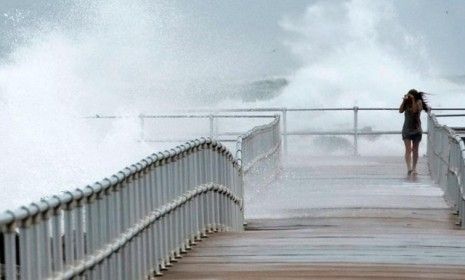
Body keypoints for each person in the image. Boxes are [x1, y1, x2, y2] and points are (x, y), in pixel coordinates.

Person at [399, 89, 430, 176]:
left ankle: (414, 168)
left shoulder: (418, 102)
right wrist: (404, 101)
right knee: (408, 150)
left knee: (415, 150)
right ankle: (409, 168)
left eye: (411, 96)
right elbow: (400, 110)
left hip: (416, 130)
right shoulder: (406, 102)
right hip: (407, 129)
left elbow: (414, 110)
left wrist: (413, 100)